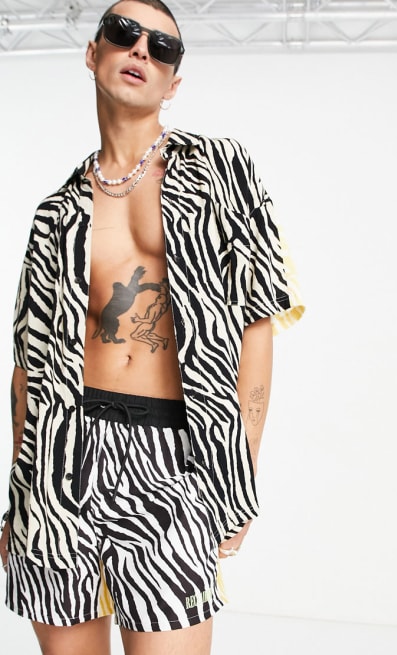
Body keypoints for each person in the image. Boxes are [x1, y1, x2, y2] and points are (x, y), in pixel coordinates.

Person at [0, 1, 303, 653]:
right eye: (123, 34)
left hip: (173, 461)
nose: (141, 50)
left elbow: (258, 321)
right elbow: (27, 365)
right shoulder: (54, 214)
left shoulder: (221, 170)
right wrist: (18, 494)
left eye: (162, 47)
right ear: (93, 53)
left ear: (174, 81)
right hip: (60, 461)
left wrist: (239, 473)